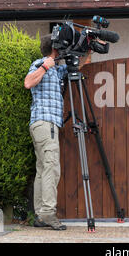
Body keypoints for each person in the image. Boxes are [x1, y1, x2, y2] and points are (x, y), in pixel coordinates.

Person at [24, 34, 91, 230]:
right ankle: (48, 214)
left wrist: (89, 49)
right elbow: (28, 83)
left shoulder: (55, 70)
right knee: (52, 169)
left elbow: (79, 66)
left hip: (43, 125)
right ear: (54, 49)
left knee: (43, 170)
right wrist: (46, 65)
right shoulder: (40, 64)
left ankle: (40, 214)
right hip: (45, 124)